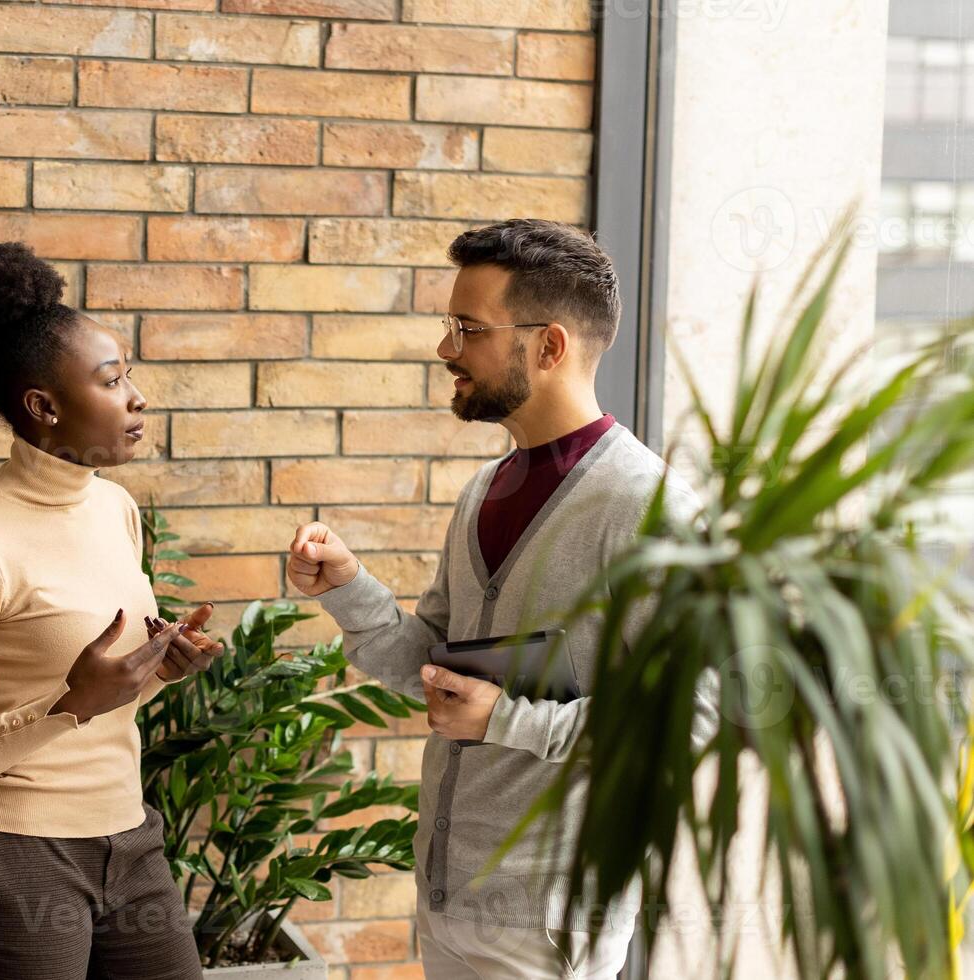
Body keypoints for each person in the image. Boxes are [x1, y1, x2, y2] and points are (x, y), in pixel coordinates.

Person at [286, 220, 719, 979]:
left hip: (546, 931)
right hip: (449, 907)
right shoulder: (487, 488)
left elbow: (693, 722)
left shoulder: (648, 510)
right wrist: (351, 590)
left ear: (548, 347)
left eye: (468, 329)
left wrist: (508, 720)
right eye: (449, 326)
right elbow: (437, 670)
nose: (446, 348)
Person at [0, 241, 224, 980]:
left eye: (129, 375)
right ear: (42, 407)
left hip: (126, 838)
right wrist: (69, 705)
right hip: (2, 853)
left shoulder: (114, 508)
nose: (137, 397)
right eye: (111, 382)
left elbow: (103, 685)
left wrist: (160, 669)